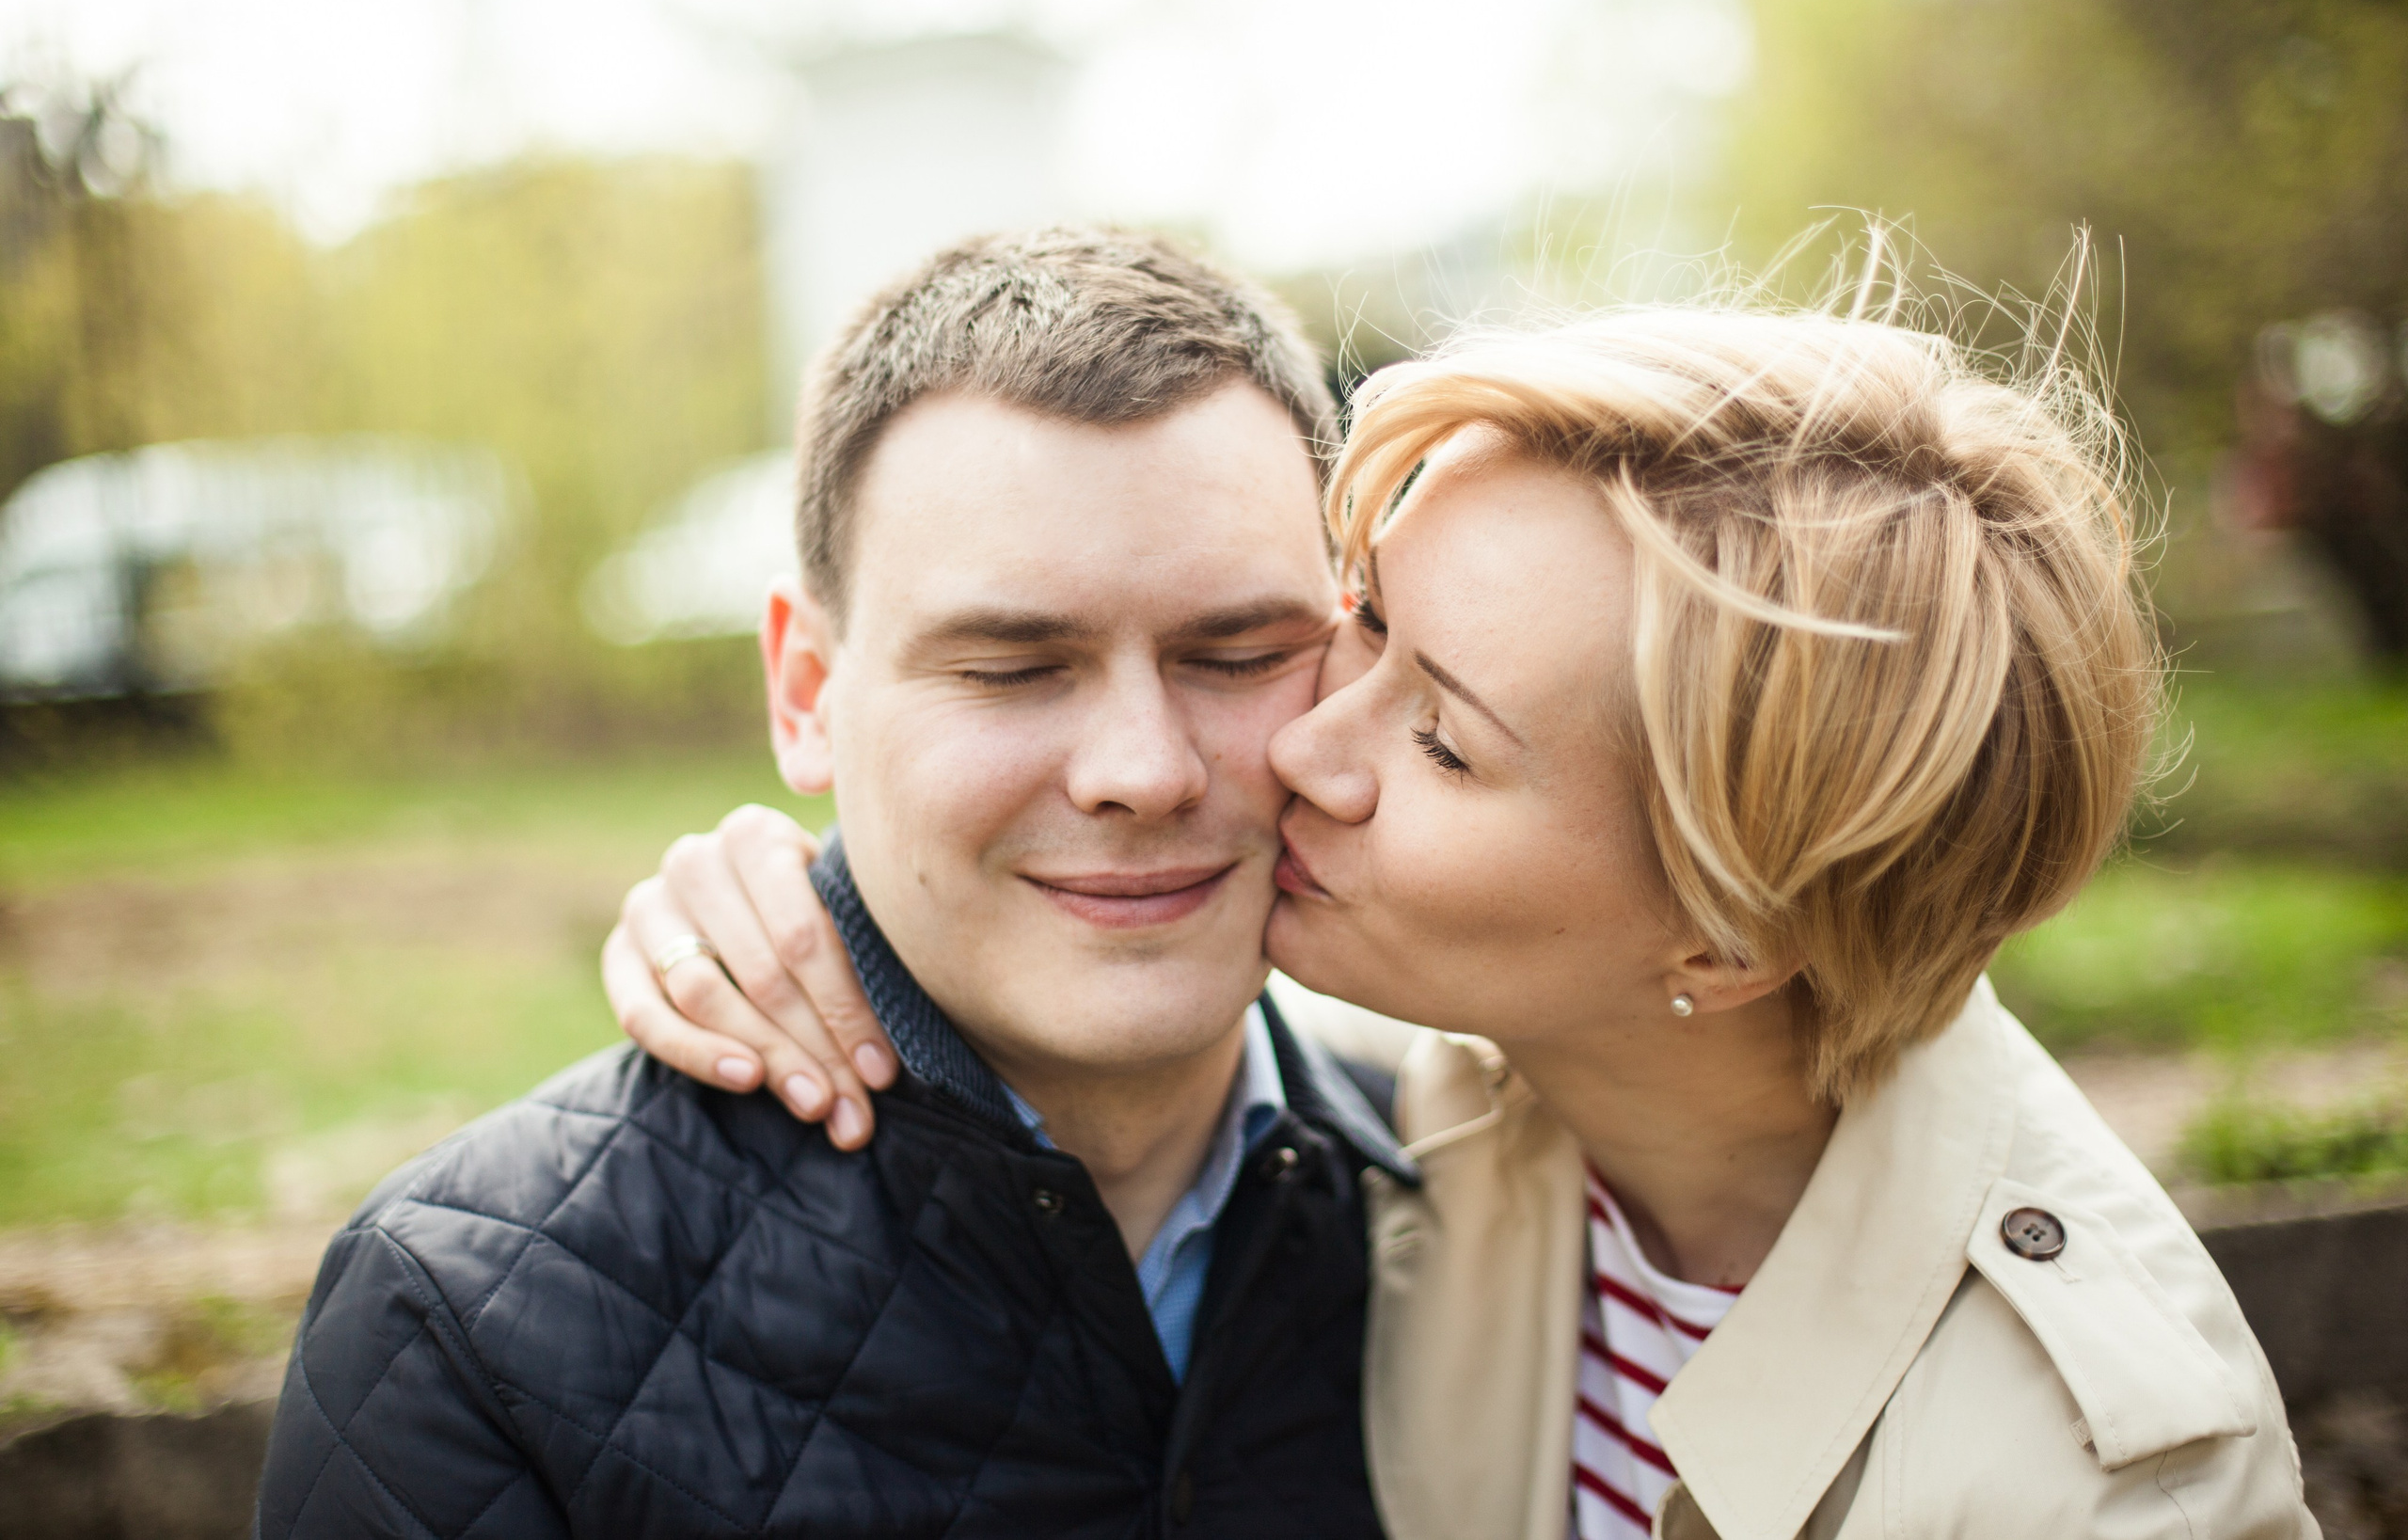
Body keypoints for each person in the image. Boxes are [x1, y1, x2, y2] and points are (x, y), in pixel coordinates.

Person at [603, 300, 2321, 1536]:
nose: (1288, 746)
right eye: (1362, 630)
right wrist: (771, 904)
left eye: (1439, 736)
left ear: (1721, 942)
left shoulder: (2109, 1479)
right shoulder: (1432, 1084)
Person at [253, 228, 1415, 1540]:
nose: (1142, 772)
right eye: (1011, 669)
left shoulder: (1492, 1222)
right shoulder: (467, 1332)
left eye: (1240, 651)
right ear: (806, 692)